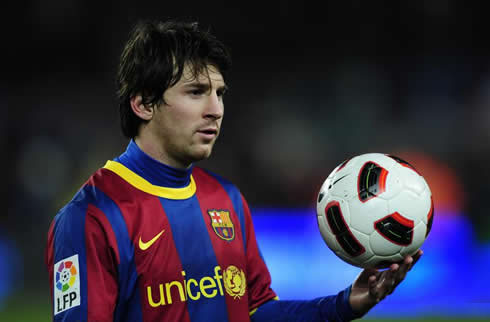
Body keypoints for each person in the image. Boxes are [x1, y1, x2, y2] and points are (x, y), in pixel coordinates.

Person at [45, 18, 422, 322]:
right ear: (144, 104)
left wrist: (344, 305)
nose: (216, 109)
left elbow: (256, 312)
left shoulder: (226, 199)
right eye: (196, 92)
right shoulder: (91, 218)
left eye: (219, 93)